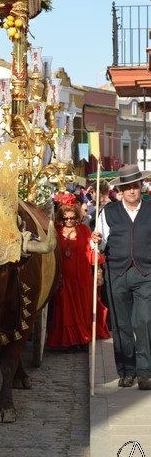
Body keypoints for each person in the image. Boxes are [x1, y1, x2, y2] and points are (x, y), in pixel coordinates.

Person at [92, 164, 151, 390]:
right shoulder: (108, 212)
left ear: (141, 187)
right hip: (117, 272)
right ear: (121, 190)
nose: (132, 191)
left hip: (146, 272)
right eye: (127, 187)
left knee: (144, 321)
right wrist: (95, 240)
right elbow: (99, 245)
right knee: (121, 324)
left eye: (135, 186)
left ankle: (145, 372)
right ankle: (127, 370)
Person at [47, 197, 110, 351]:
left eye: (72, 218)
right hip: (63, 279)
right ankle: (69, 342)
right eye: (65, 218)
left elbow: (92, 252)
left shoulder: (84, 230)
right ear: (61, 217)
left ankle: (82, 339)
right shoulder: (56, 231)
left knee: (83, 309)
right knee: (66, 312)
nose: (69, 221)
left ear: (77, 216)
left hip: (82, 278)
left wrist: (98, 271)